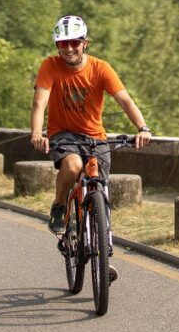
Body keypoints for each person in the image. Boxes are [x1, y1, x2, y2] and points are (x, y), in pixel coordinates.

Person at [30, 15, 151, 279]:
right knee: (72, 166)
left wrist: (142, 128)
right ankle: (60, 206)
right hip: (63, 135)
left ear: (85, 43)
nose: (69, 49)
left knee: (101, 192)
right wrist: (37, 133)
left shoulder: (101, 68)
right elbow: (40, 102)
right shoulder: (50, 66)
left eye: (74, 42)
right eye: (63, 44)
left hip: (96, 138)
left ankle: (102, 253)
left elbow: (124, 100)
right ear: (57, 46)